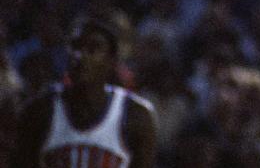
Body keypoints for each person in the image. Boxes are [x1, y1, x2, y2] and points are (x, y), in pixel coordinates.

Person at [11, 14, 157, 168]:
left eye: (92, 49)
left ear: (111, 61)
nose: (80, 56)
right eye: (75, 47)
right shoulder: (38, 110)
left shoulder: (136, 115)